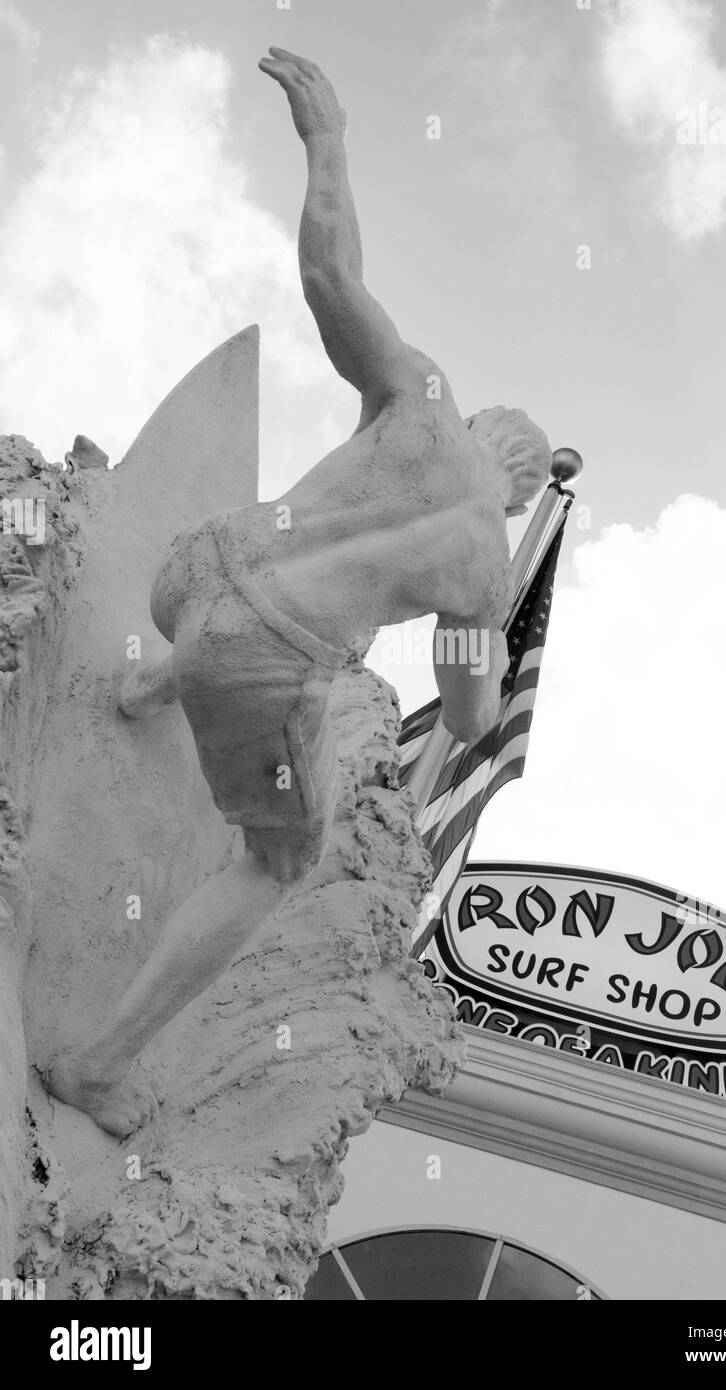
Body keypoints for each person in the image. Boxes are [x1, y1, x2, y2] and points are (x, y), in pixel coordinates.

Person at [44, 49, 551, 1137]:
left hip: (196, 569)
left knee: (248, 635)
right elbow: (465, 721)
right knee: (281, 858)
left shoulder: (418, 395)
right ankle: (98, 1063)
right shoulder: (483, 560)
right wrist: (490, 645)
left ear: (480, 427)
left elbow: (331, 278)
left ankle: (147, 689)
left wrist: (327, 142)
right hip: (263, 653)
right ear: (514, 490)